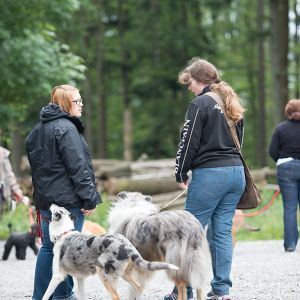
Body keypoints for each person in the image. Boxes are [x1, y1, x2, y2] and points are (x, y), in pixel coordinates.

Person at [165, 58, 246, 300]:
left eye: (189, 82)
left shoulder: (199, 103)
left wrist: (180, 172)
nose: (188, 87)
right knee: (221, 233)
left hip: (211, 175)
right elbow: (239, 143)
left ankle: (183, 290)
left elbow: (187, 142)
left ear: (199, 80)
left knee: (189, 234)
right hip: (236, 173)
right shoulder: (231, 101)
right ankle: (221, 291)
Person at [26, 84, 102, 300]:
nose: (81, 104)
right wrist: (89, 198)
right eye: (77, 101)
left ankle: (40, 297)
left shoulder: (36, 130)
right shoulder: (67, 129)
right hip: (68, 202)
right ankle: (63, 296)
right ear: (65, 104)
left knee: (49, 248)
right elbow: (78, 167)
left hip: (46, 202)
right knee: (67, 249)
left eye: (80, 100)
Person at [269, 99, 300, 253]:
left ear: (288, 112)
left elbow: (272, 151)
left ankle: (290, 244)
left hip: (286, 167)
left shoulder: (280, 129)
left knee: (289, 208)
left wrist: (282, 161)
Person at [0, 146, 24, 213]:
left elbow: (9, 175)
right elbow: (9, 175)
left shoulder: (2, 153)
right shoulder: (2, 153)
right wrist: (17, 190)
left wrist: (17, 190)